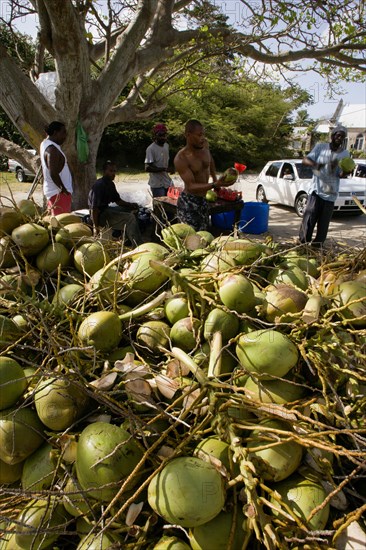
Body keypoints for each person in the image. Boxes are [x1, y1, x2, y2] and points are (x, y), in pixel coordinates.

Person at [173, 119, 234, 231]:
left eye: (203, 134)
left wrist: (216, 180)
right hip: (189, 203)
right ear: (188, 135)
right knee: (190, 240)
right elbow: (191, 186)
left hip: (203, 200)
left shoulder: (204, 147)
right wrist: (215, 184)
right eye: (199, 135)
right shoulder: (181, 158)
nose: (202, 138)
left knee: (204, 236)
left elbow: (210, 161)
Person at [298, 125, 351, 247]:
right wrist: (316, 165)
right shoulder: (320, 147)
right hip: (317, 191)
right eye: (338, 135)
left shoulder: (345, 154)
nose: (339, 138)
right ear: (333, 136)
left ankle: (316, 249)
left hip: (331, 194)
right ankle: (302, 246)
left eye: (342, 136)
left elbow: (342, 174)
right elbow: (305, 160)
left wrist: (346, 172)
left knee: (323, 226)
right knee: (309, 221)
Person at [88, 161, 143, 246]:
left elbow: (118, 201)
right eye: (111, 171)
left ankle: (128, 239)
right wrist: (95, 227)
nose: (113, 173)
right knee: (130, 218)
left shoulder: (110, 184)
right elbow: (94, 209)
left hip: (106, 210)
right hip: (100, 216)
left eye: (114, 171)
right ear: (104, 171)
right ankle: (138, 244)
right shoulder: (99, 185)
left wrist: (131, 205)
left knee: (133, 210)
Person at [40, 121, 73, 215]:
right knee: (61, 224)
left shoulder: (46, 143)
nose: (65, 136)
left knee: (56, 222)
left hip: (56, 193)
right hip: (58, 193)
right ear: (55, 133)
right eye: (63, 132)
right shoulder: (52, 149)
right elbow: (53, 173)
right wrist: (64, 190)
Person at [145, 123, 173, 197]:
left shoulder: (166, 146)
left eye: (164, 135)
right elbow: (147, 168)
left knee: (170, 204)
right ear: (155, 136)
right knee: (159, 206)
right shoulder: (151, 149)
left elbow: (165, 162)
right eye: (160, 135)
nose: (163, 137)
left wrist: (170, 169)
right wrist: (164, 169)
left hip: (167, 182)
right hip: (157, 185)